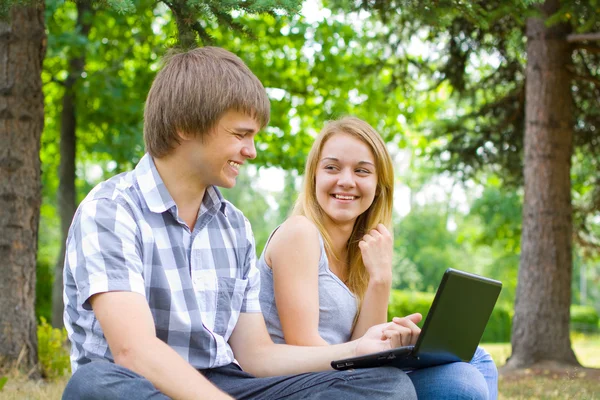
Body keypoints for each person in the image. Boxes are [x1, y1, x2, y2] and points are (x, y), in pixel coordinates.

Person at [61, 47, 424, 400]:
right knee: (94, 384)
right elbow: (133, 351)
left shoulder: (233, 227)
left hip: (227, 383)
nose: (251, 151)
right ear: (186, 126)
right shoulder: (110, 210)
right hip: (141, 384)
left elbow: (256, 356)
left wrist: (357, 348)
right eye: (240, 134)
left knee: (386, 387)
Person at [258, 116, 498, 399]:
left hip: (341, 378)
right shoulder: (299, 233)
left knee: (480, 361)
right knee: (464, 383)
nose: (346, 181)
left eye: (361, 171)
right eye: (332, 167)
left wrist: (381, 279)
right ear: (314, 176)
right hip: (300, 385)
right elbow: (304, 347)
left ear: (378, 185)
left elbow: (364, 349)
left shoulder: (360, 252)